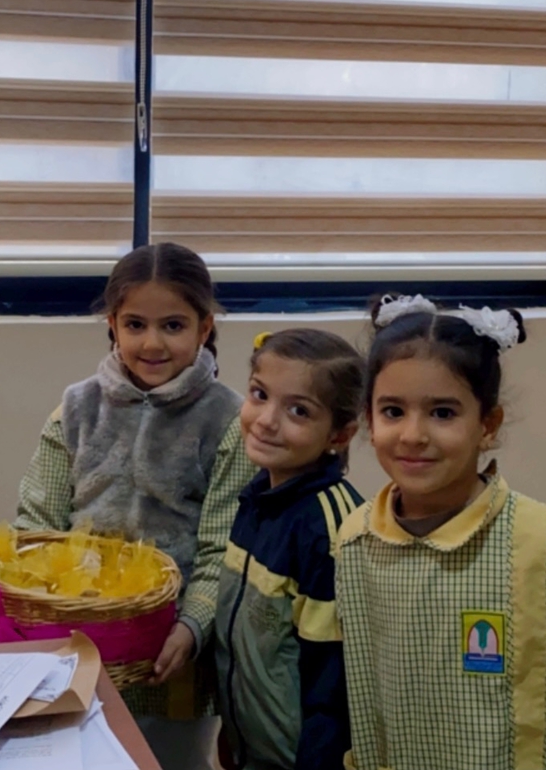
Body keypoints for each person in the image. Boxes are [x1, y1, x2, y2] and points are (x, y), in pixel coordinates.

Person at [336, 295, 546, 770]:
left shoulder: (544, 543)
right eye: (393, 411)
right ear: (368, 418)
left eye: (443, 413)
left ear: (488, 425)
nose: (413, 435)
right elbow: (361, 700)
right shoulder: (355, 542)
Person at [14, 242, 254, 769]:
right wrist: (49, 614)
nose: (152, 343)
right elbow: (35, 525)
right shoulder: (75, 410)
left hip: (174, 655)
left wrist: (191, 627)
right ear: (112, 324)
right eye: (135, 325)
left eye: (173, 325)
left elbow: (223, 550)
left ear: (205, 327)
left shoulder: (229, 421)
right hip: (78, 642)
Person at [214, 329, 364, 770]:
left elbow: (334, 687)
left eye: (298, 410)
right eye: (259, 394)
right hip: (251, 751)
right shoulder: (256, 497)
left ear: (340, 434)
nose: (265, 420)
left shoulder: (329, 529)